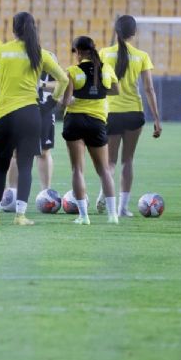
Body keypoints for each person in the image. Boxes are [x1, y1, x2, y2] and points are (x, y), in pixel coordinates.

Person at [0, 12, 68, 225]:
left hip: (4, 116)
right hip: (30, 115)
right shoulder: (40, 54)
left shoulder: (2, 51)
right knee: (26, 166)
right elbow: (63, 79)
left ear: (13, 30)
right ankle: (20, 216)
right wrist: (51, 104)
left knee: (0, 166)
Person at [98, 15, 162, 218]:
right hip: (134, 112)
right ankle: (122, 208)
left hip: (111, 112)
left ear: (116, 32)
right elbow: (149, 89)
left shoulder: (104, 54)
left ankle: (103, 195)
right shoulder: (142, 56)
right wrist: (157, 119)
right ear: (134, 34)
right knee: (127, 161)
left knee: (110, 162)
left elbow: (98, 85)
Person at [61, 36, 119, 225]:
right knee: (103, 170)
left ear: (78, 51)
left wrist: (71, 99)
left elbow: (65, 101)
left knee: (77, 169)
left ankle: (84, 216)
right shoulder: (106, 69)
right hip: (97, 122)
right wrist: (98, 91)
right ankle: (113, 215)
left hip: (75, 121)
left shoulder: (73, 71)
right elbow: (115, 90)